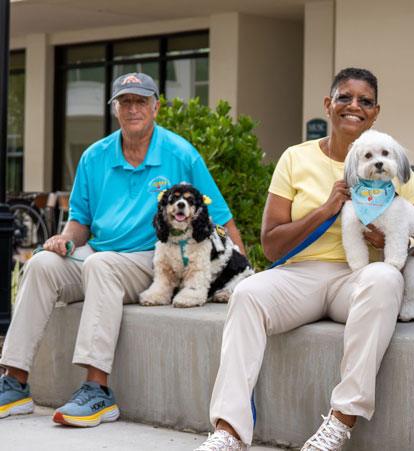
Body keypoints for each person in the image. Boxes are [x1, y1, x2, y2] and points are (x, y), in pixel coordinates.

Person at [196, 67, 414, 451]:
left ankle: (341, 420)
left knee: (385, 279)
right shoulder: (295, 159)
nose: (354, 107)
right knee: (248, 294)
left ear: (375, 112)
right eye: (345, 98)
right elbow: (271, 246)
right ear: (328, 105)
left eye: (365, 101)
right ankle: (228, 431)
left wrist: (399, 241)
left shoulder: (390, 163)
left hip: (358, 280)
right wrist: (327, 208)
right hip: (302, 275)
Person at [0, 72, 243, 427]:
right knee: (41, 264)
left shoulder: (180, 153)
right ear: (115, 109)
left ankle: (97, 390)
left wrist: (244, 273)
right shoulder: (94, 156)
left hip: (154, 258)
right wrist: (66, 239)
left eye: (141, 101)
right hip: (100, 253)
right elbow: (80, 221)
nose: (133, 109)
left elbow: (220, 215)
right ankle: (14, 381)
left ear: (156, 107)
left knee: (102, 265)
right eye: (125, 102)